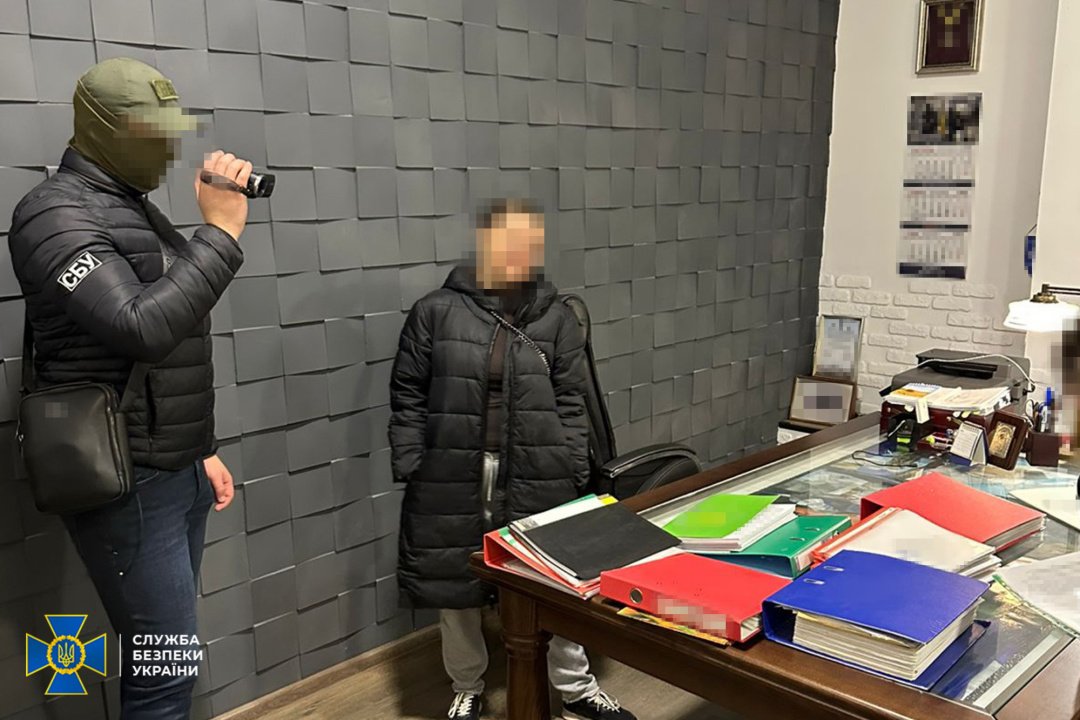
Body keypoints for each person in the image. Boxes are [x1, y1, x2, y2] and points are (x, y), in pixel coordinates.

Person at [8, 58, 250, 718]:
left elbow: (172, 347)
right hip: (126, 479)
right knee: (166, 669)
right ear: (101, 129)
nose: (166, 149)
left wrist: (200, 449)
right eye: (151, 133)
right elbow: (141, 327)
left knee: (170, 657)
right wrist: (220, 233)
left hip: (175, 467)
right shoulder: (51, 215)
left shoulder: (128, 208)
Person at [389, 199, 637, 720]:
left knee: (557, 579)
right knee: (456, 583)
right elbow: (408, 391)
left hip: (539, 469)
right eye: (509, 239)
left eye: (530, 242)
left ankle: (576, 691)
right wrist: (413, 461)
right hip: (454, 470)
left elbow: (572, 399)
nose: (520, 251)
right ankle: (467, 687)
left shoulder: (556, 317)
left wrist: (572, 465)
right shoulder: (435, 311)